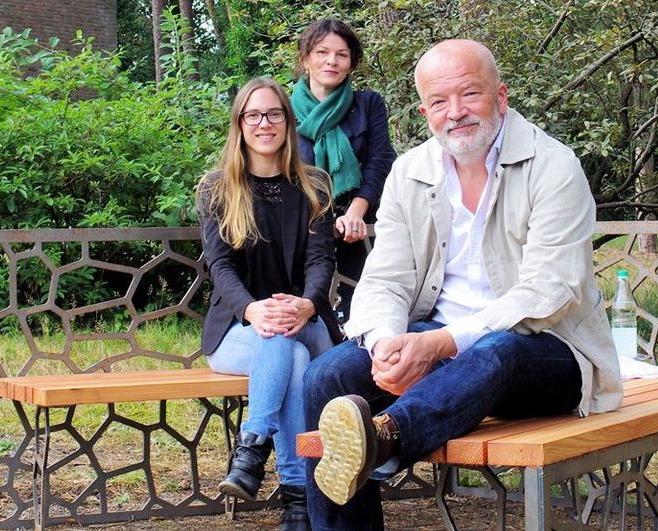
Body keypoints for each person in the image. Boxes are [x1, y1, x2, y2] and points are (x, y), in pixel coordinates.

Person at [301, 40, 623, 529]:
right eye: (439, 102)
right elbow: (386, 276)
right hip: (438, 344)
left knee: (498, 350)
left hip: (549, 351)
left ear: (501, 96)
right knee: (326, 377)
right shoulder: (410, 172)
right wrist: (389, 344)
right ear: (425, 109)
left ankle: (386, 438)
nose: (456, 113)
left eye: (469, 94)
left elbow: (549, 290)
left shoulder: (553, 165)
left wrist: (438, 344)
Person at [196, 77, 344, 531]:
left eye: (274, 114)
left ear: (287, 121)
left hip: (306, 320)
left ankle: (252, 451)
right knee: (286, 350)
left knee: (291, 344)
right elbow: (221, 269)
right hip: (237, 331)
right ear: (239, 124)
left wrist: (305, 304)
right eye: (254, 115)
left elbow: (322, 261)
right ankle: (297, 501)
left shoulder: (313, 184)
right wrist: (253, 310)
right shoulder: (218, 188)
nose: (265, 123)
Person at [291, 19, 397, 323]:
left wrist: (355, 212)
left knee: (362, 314)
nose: (331, 61)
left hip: (360, 225)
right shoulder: (282, 110)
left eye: (342, 54)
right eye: (322, 52)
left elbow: (380, 160)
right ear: (306, 59)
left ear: (351, 63)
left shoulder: (368, 104)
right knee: (308, 318)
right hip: (305, 228)